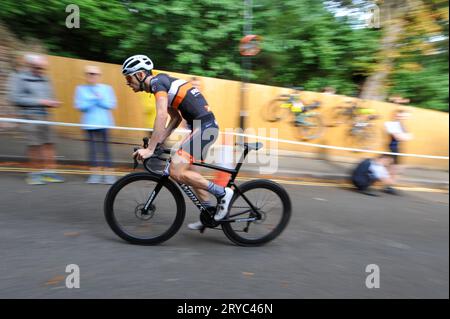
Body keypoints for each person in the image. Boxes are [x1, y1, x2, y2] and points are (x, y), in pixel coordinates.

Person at [122, 55, 234, 230]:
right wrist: (159, 142)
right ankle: (209, 214)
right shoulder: (161, 83)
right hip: (202, 127)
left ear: (141, 75)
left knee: (175, 171)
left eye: (129, 78)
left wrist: (151, 148)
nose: (127, 83)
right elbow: (174, 118)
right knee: (190, 173)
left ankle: (223, 193)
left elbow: (162, 116)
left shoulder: (157, 84)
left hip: (204, 127)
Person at [7, 53, 64, 185]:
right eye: (38, 68)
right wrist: (40, 101)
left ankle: (50, 173)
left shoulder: (45, 78)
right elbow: (15, 98)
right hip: (30, 116)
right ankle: (34, 174)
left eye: (42, 68)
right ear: (30, 65)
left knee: (49, 144)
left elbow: (50, 95)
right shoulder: (19, 77)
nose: (41, 71)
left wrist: (52, 102)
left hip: (46, 115)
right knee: (34, 145)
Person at [74, 65, 117, 184]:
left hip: (104, 123)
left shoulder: (107, 88)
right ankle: (95, 174)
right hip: (89, 124)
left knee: (106, 149)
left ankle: (109, 174)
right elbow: (80, 106)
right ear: (86, 75)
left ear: (99, 76)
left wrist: (96, 100)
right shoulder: (80, 89)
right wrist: (95, 99)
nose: (92, 76)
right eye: (89, 74)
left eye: (95, 74)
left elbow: (111, 104)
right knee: (92, 150)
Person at [384, 108, 412, 181]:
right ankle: (388, 184)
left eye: (403, 117)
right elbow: (399, 137)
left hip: (397, 148)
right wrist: (403, 136)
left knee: (395, 167)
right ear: (395, 116)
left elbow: (409, 137)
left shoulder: (401, 125)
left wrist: (403, 136)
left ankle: (389, 183)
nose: (401, 118)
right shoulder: (391, 124)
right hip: (392, 147)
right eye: (399, 116)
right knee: (393, 167)